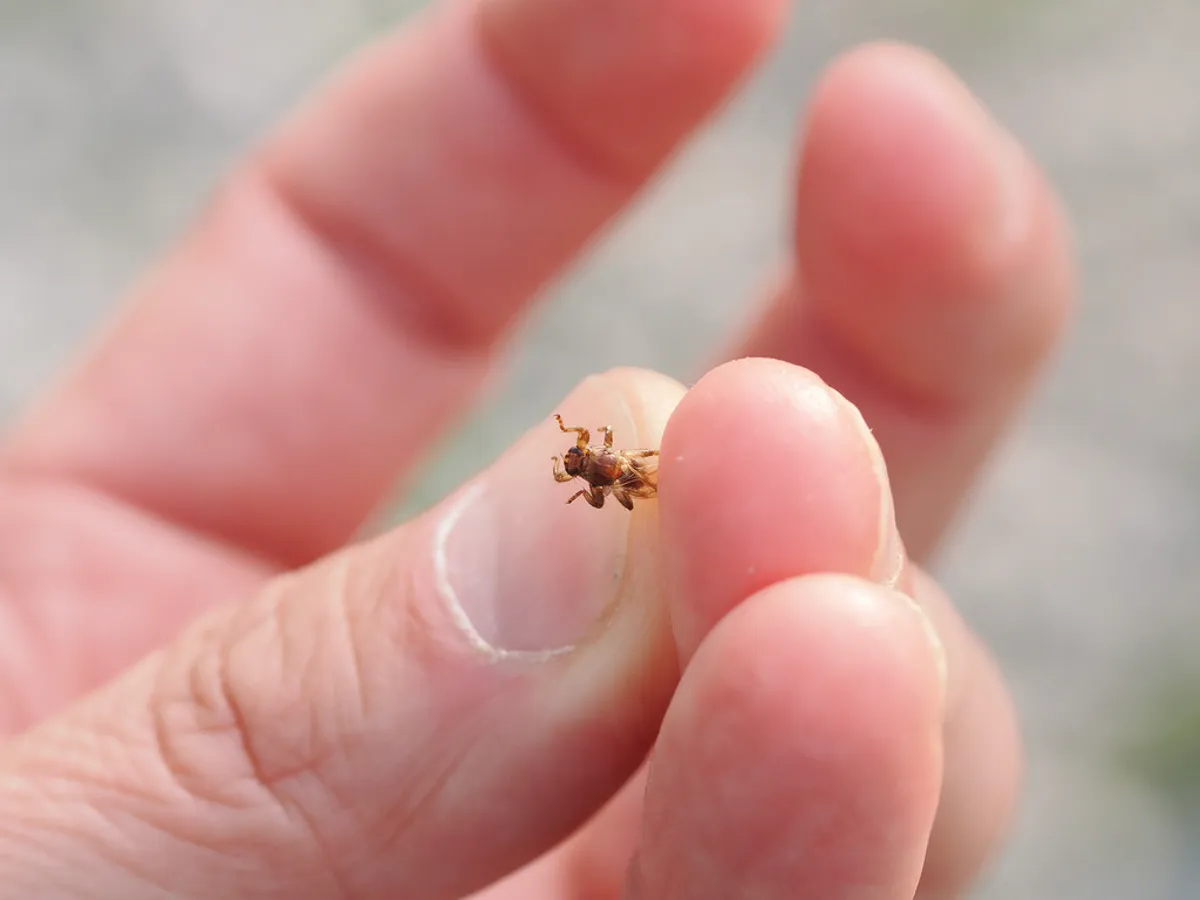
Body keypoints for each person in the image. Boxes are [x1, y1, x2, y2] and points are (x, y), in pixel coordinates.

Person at [0, 0, 1075, 896]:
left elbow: (610, 475)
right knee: (813, 644)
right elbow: (599, 486)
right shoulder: (593, 478)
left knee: (812, 642)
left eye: (581, 464)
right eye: (581, 465)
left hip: (653, 501)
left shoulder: (606, 468)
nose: (580, 467)